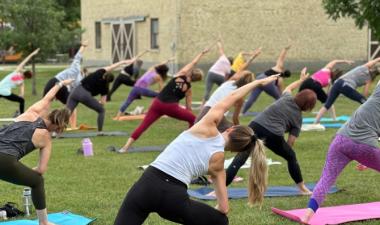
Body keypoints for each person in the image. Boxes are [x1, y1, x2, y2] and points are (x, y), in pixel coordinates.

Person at [113, 75, 279, 225]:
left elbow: (232, 97)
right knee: (221, 221)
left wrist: (257, 82)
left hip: (147, 184)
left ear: (230, 129)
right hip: (174, 199)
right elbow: (223, 209)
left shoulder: (207, 125)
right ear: (235, 151)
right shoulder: (218, 164)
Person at [225, 68, 317, 194]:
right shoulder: (298, 119)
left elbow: (289, 87)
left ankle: (218, 190)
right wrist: (285, 149)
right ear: (308, 107)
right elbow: (290, 142)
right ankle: (302, 188)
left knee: (240, 158)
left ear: (299, 95)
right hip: (273, 134)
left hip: (255, 124)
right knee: (291, 156)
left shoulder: (286, 97)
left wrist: (300, 80)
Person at [302, 81, 380, 223]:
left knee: (326, 179)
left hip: (340, 141)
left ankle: (307, 215)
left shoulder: (376, 95)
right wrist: (367, 158)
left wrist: (367, 160)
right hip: (365, 146)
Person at [0, 79, 72, 225]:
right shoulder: (46, 138)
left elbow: (47, 98)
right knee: (37, 182)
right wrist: (29, 171)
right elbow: (41, 170)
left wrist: (60, 84)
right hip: (4, 159)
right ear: (59, 127)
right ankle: (44, 222)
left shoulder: (30, 113)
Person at [117, 48, 210, 153]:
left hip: (157, 104)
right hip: (171, 108)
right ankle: (188, 142)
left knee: (143, 125)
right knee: (193, 119)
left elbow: (193, 62)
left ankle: (125, 147)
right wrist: (190, 118)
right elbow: (188, 108)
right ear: (196, 80)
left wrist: (201, 53)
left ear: (190, 73)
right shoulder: (188, 90)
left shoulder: (180, 74)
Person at [66, 59, 136, 132]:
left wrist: (123, 62)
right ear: (110, 82)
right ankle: (100, 132)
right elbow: (103, 102)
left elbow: (112, 66)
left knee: (67, 113)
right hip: (85, 95)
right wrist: (98, 102)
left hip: (75, 91)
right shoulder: (105, 88)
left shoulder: (99, 72)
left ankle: (56, 131)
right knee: (101, 111)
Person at [314, 57, 380, 124]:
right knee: (366, 102)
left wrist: (378, 59)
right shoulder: (369, 79)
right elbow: (365, 94)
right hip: (346, 86)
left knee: (328, 104)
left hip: (337, 83)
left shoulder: (364, 67)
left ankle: (315, 123)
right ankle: (370, 120)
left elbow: (374, 61)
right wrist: (368, 84)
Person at [43, 41, 88, 129]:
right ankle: (73, 127)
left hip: (53, 82)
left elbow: (72, 91)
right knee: (72, 105)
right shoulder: (76, 68)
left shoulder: (79, 81)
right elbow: (78, 56)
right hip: (57, 82)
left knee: (44, 105)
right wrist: (83, 46)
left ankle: (43, 124)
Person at [242, 45, 292, 114]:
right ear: (286, 77)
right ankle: (275, 112)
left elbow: (281, 58)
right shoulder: (280, 80)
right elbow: (281, 93)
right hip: (268, 83)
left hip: (259, 78)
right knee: (279, 98)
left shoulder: (279, 67)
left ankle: (242, 112)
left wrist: (285, 49)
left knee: (252, 98)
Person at [0, 48, 39, 116]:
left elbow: (25, 61)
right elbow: (22, 93)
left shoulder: (16, 72)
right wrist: (21, 96)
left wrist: (32, 53)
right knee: (21, 101)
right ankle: (22, 115)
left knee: (21, 100)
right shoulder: (21, 81)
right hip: (5, 92)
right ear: (27, 78)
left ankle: (20, 114)